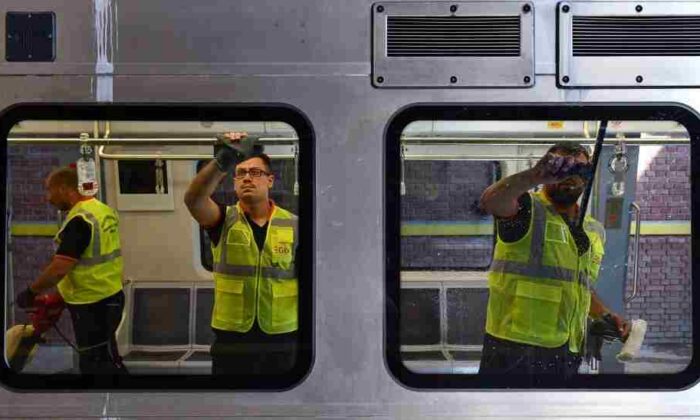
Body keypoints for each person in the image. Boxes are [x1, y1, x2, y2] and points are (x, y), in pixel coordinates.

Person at [477, 142, 630, 377]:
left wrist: (605, 316)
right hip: (514, 349)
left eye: (578, 170)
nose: (569, 176)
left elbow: (578, 287)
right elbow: (491, 202)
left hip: (567, 349)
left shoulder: (594, 230)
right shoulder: (526, 209)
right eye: (560, 168)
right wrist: (535, 175)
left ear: (587, 177)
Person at [184, 132, 299, 375]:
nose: (247, 178)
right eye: (241, 174)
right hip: (232, 340)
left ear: (270, 180)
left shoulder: (295, 225)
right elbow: (194, 200)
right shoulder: (222, 220)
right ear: (234, 182)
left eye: (255, 173)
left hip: (282, 339)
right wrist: (223, 161)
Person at [15, 167, 127, 374]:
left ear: (66, 188)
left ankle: (111, 403)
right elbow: (87, 263)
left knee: (95, 364)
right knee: (104, 357)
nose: (48, 198)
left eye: (50, 191)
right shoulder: (103, 210)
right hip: (109, 294)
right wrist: (60, 296)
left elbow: (60, 268)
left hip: (92, 303)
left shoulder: (80, 220)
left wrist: (31, 292)